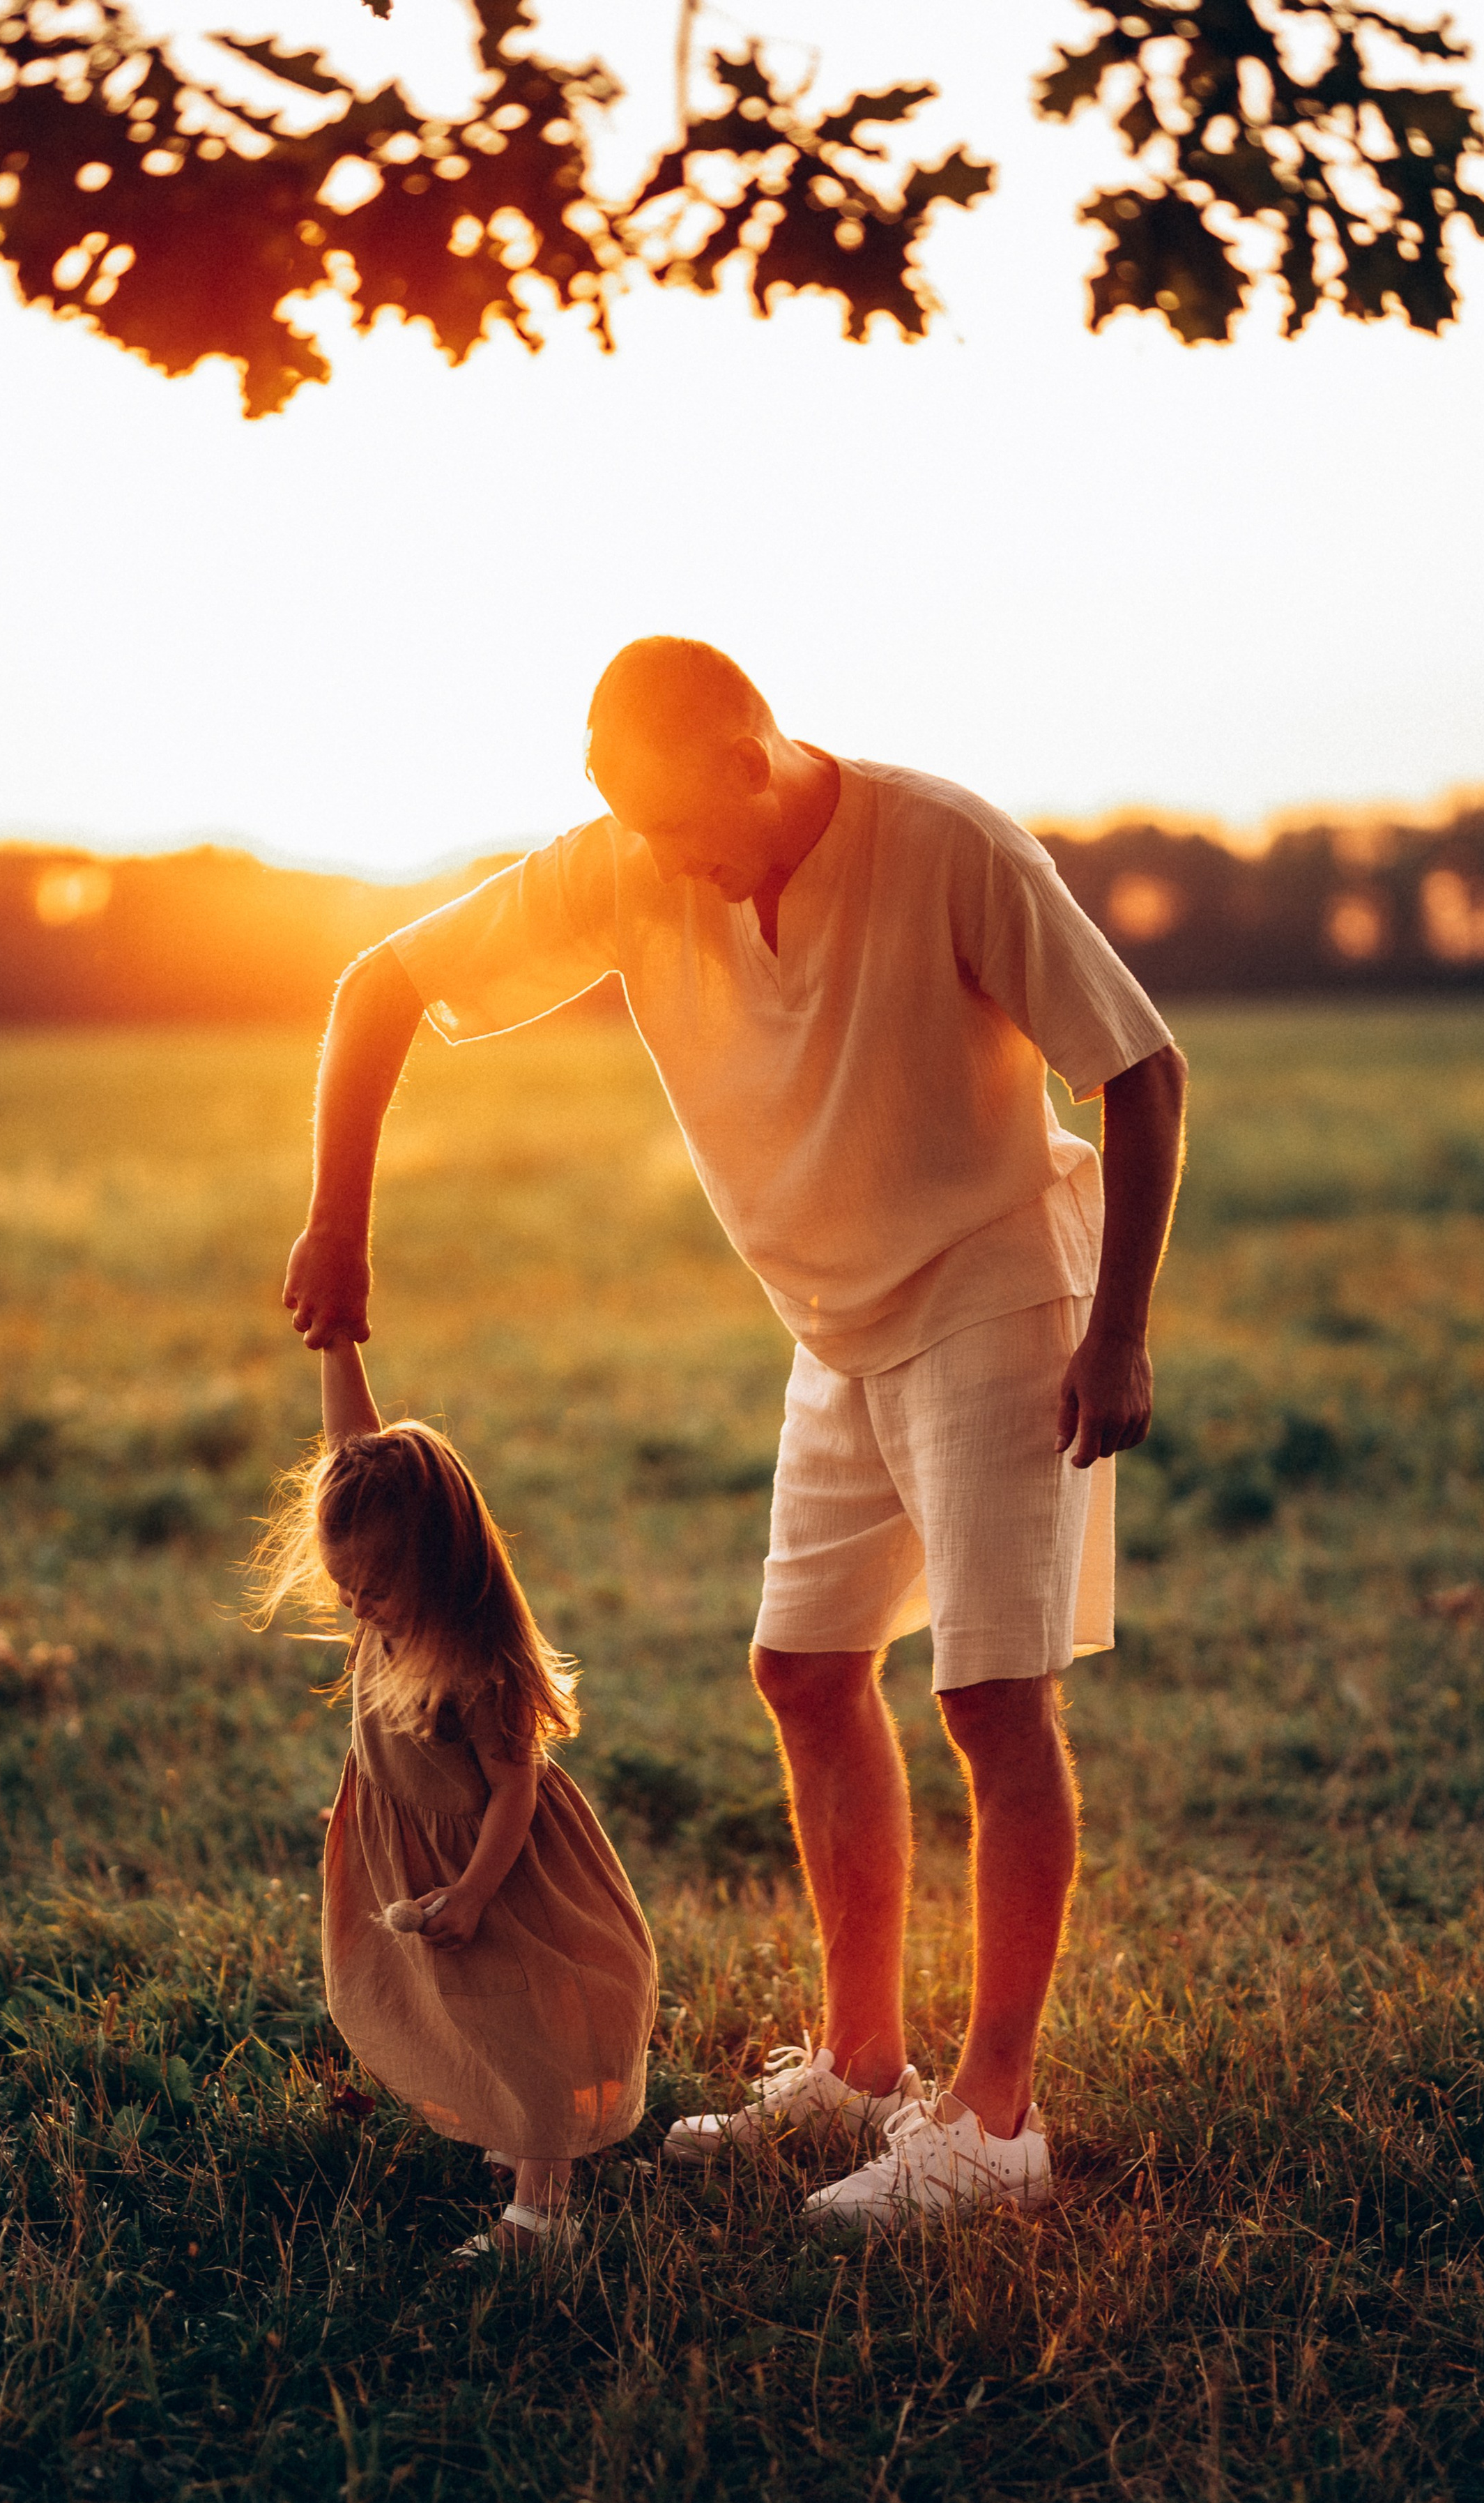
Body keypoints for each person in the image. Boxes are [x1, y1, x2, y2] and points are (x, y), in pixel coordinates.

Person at [284, 637, 1187, 2233]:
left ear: (749, 755)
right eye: (636, 833)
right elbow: (383, 986)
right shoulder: (629, 858)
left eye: (682, 828)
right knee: (803, 1672)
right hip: (832, 1326)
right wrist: (337, 1224)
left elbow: (1140, 1068)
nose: (667, 867)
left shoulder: (945, 844)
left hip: (994, 1288)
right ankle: (853, 2061)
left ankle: (992, 2124)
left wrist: (1114, 1329)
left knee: (988, 1697)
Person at [251, 1332, 657, 2260]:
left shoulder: (480, 1664)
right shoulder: (388, 1594)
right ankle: (513, 2132)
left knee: (524, 2022)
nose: (357, 1604)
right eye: (345, 1582)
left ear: (440, 1565)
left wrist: (474, 1893)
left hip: (496, 1869)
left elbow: (518, 1789)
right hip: (419, 1859)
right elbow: (350, 1447)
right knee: (462, 2011)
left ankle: (541, 2213)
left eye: (377, 1588)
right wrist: (341, 1337)